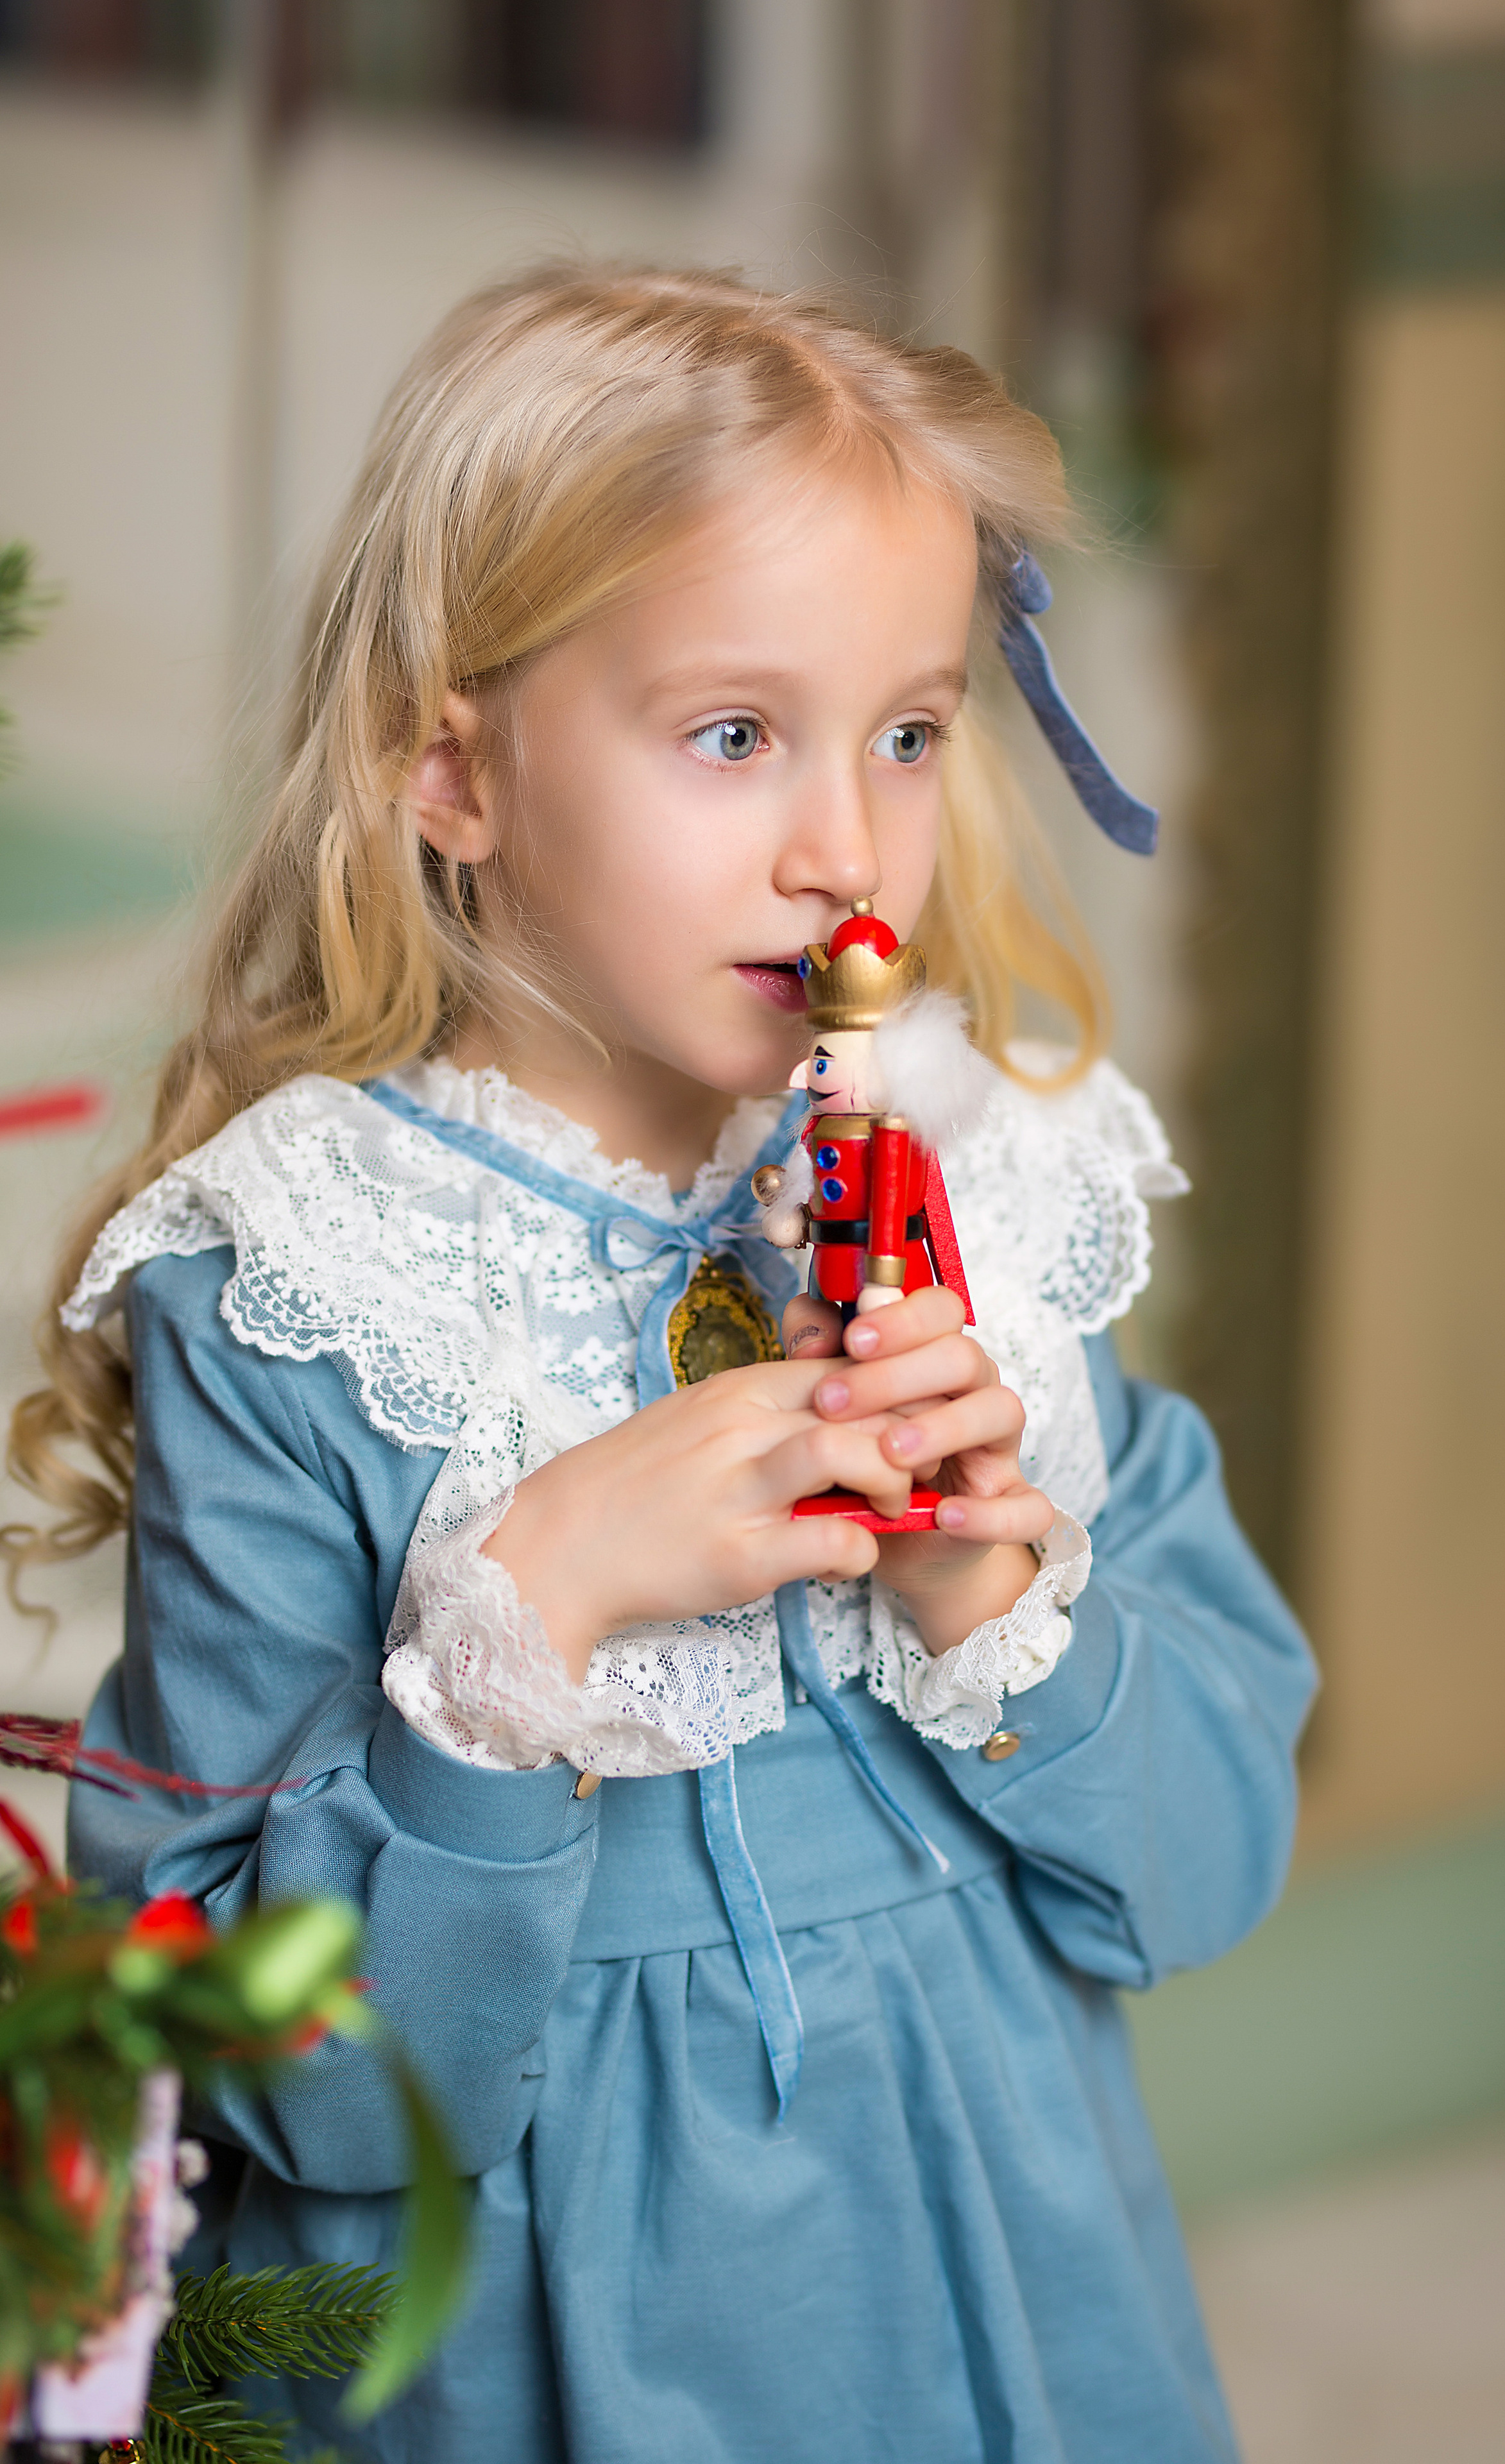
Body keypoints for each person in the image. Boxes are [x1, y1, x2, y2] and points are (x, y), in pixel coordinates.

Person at [6, 267, 1316, 2464]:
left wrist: (994, 1593)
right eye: (733, 735)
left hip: (995, 2280)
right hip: (513, 2357)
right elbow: (280, 2087)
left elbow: (1209, 1863)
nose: (845, 851)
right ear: (454, 767)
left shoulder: (995, 1181)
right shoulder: (296, 1281)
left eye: (908, 732)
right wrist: (520, 1627)